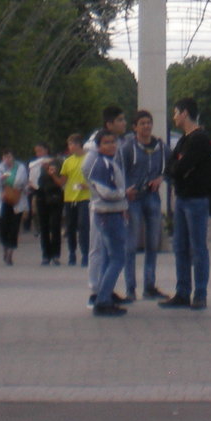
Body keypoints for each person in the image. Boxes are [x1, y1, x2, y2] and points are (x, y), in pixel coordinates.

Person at [160, 96, 211, 310]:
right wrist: (178, 168)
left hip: (196, 199)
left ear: (184, 113)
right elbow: (171, 166)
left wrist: (178, 168)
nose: (173, 117)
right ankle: (182, 291)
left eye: (175, 112)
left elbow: (180, 168)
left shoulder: (199, 139)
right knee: (180, 246)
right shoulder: (184, 140)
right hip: (182, 198)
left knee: (198, 247)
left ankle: (199, 293)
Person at [122, 109, 167, 299]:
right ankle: (130, 288)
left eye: (149, 122)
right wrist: (125, 191)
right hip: (133, 199)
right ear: (135, 127)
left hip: (152, 196)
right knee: (131, 244)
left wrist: (160, 178)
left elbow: (170, 166)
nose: (146, 126)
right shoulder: (128, 147)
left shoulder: (161, 147)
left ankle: (149, 286)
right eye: (142, 123)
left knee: (152, 243)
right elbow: (120, 171)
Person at [84, 107, 129, 296]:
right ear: (109, 124)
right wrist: (100, 191)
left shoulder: (118, 142)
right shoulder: (96, 146)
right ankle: (96, 290)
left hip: (113, 204)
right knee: (98, 248)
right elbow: (87, 169)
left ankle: (105, 289)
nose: (124, 123)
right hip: (102, 205)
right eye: (119, 120)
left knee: (108, 251)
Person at [0, 149, 28, 265]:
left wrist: (11, 182)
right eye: (5, 157)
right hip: (2, 201)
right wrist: (1, 180)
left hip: (16, 201)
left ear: (13, 158)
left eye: (9, 157)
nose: (7, 159)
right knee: (3, 227)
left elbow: (22, 182)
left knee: (14, 227)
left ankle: (10, 251)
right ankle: (5, 246)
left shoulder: (20, 168)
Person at [29, 142, 65, 266]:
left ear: (46, 150)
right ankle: (46, 254)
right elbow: (34, 181)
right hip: (40, 196)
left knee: (55, 226)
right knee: (43, 226)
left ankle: (56, 254)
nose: (38, 154)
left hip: (54, 196)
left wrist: (50, 171)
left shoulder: (55, 162)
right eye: (36, 151)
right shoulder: (34, 164)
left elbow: (60, 179)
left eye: (40, 150)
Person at [60, 134, 90, 266]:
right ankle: (72, 252)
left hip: (85, 196)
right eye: (69, 144)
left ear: (78, 144)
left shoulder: (89, 158)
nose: (69, 147)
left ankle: (85, 253)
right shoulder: (68, 161)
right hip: (69, 197)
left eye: (71, 144)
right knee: (70, 227)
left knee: (83, 225)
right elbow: (63, 180)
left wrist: (88, 185)